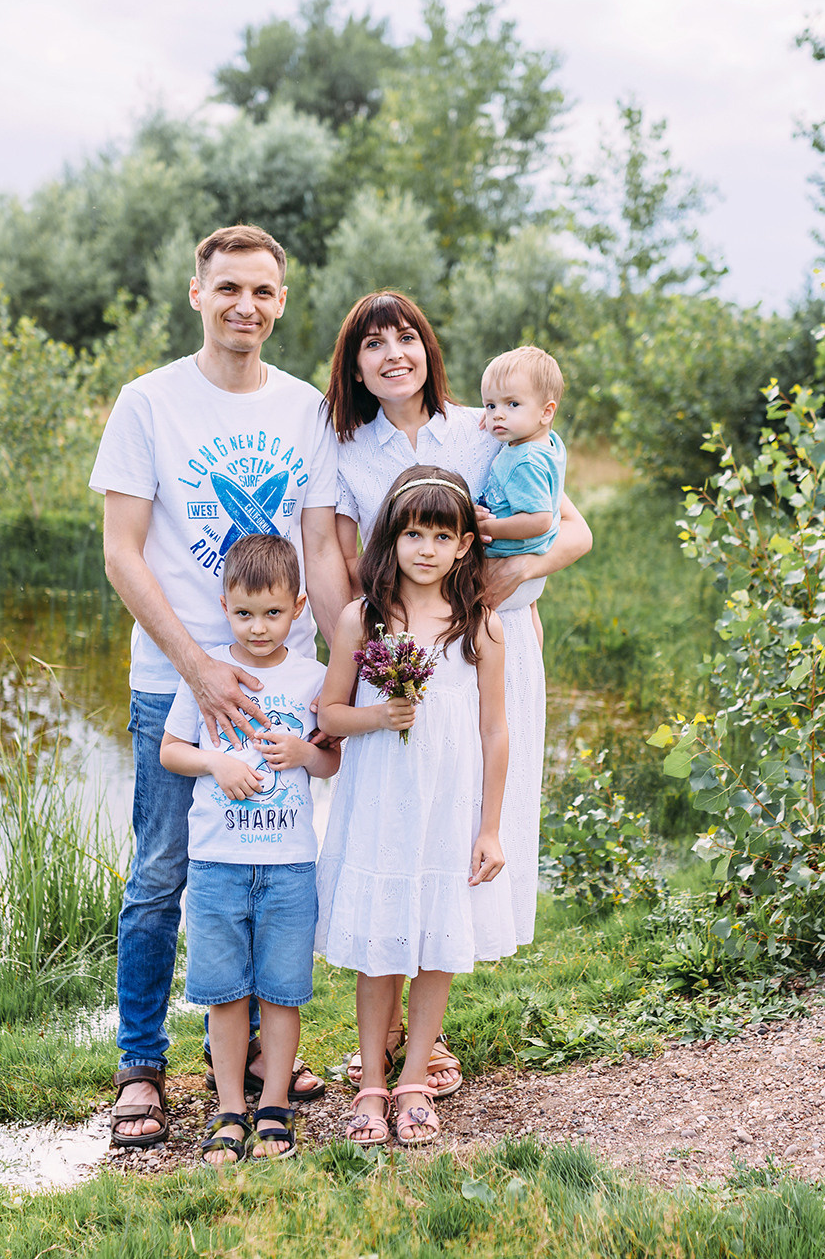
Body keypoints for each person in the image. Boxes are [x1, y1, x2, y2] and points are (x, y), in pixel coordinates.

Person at [89, 224, 350, 1148]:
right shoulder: (149, 403)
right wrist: (198, 667)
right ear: (196, 292)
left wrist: (345, 659)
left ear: (282, 303)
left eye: (264, 292)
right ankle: (141, 1065)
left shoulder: (309, 410)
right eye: (229, 287)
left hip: (282, 682)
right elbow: (122, 554)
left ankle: (244, 1059)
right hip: (177, 676)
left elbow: (318, 547)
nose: (247, 305)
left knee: (268, 867)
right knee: (163, 871)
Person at [322, 291, 592, 1094]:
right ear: (355, 364)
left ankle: (426, 1039)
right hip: (392, 657)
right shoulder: (345, 449)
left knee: (465, 828)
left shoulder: (489, 424)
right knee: (391, 831)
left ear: (430, 348)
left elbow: (567, 527)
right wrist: (361, 649)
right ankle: (390, 1035)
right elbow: (341, 556)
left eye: (407, 336)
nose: (394, 353)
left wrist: (517, 573)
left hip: (483, 647)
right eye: (374, 344)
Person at [315, 466, 508, 1148]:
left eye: (440, 534)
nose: (425, 547)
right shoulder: (362, 616)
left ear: (462, 546)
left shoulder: (477, 625)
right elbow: (331, 712)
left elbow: (494, 731)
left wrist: (489, 827)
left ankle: (415, 1076)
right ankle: (371, 1078)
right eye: (412, 532)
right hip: (383, 804)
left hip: (448, 808)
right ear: (391, 539)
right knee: (381, 940)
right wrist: (380, 715)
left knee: (434, 938)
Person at [158, 534, 338, 1165]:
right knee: (226, 992)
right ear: (224, 604)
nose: (258, 628)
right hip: (217, 865)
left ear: (299, 605)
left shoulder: (312, 676)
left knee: (282, 992)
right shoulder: (207, 671)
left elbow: (330, 761)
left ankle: (275, 1107)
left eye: (273, 613)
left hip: (289, 864)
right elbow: (170, 750)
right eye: (243, 613)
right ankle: (231, 1108)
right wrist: (216, 764)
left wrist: (303, 754)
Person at [473, 346, 568, 622]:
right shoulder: (548, 443)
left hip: (502, 559)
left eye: (512, 404)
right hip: (528, 559)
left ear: (546, 412)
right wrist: (503, 417)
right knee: (527, 616)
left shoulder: (523, 460)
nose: (498, 415)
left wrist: (488, 527)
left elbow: (539, 520)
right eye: (490, 405)